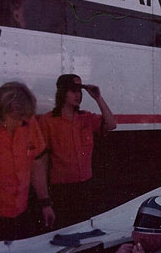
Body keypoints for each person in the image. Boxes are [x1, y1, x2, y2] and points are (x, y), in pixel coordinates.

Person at [0, 82, 55, 242]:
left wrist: (45, 203)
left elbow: (36, 164)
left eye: (25, 118)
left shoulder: (28, 123)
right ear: (2, 111)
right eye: (17, 118)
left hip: (21, 212)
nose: (22, 123)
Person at [39, 74, 116, 227]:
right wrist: (45, 198)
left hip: (85, 186)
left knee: (85, 230)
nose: (78, 95)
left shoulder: (86, 118)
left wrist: (98, 98)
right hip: (62, 190)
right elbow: (43, 161)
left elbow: (112, 124)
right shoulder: (48, 121)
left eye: (79, 91)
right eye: (73, 91)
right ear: (62, 93)